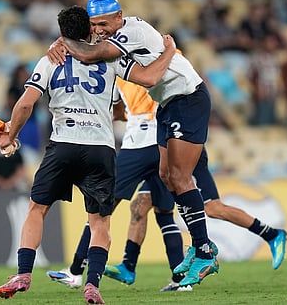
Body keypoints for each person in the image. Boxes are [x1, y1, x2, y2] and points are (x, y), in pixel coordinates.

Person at [0, 5, 176, 304]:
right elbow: (146, 80)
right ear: (91, 29)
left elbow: (26, 104)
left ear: (62, 33)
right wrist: (170, 51)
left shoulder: (50, 60)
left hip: (62, 145)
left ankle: (23, 274)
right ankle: (92, 285)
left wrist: (9, 136)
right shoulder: (112, 59)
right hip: (100, 149)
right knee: (100, 222)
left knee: (37, 210)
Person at [48, 0, 218, 287]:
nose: (98, 30)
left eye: (103, 23)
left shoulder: (133, 32)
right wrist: (61, 42)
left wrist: (62, 42)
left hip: (188, 98)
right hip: (167, 104)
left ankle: (204, 250)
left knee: (179, 178)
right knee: (167, 177)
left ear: (119, 16)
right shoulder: (112, 32)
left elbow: (95, 57)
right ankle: (199, 247)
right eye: (94, 25)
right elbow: (87, 44)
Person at [47, 78, 189, 292]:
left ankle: (75, 271)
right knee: (165, 213)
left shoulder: (122, 73)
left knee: (102, 207)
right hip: (163, 143)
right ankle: (181, 281)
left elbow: (114, 108)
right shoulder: (158, 66)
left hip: (138, 144)